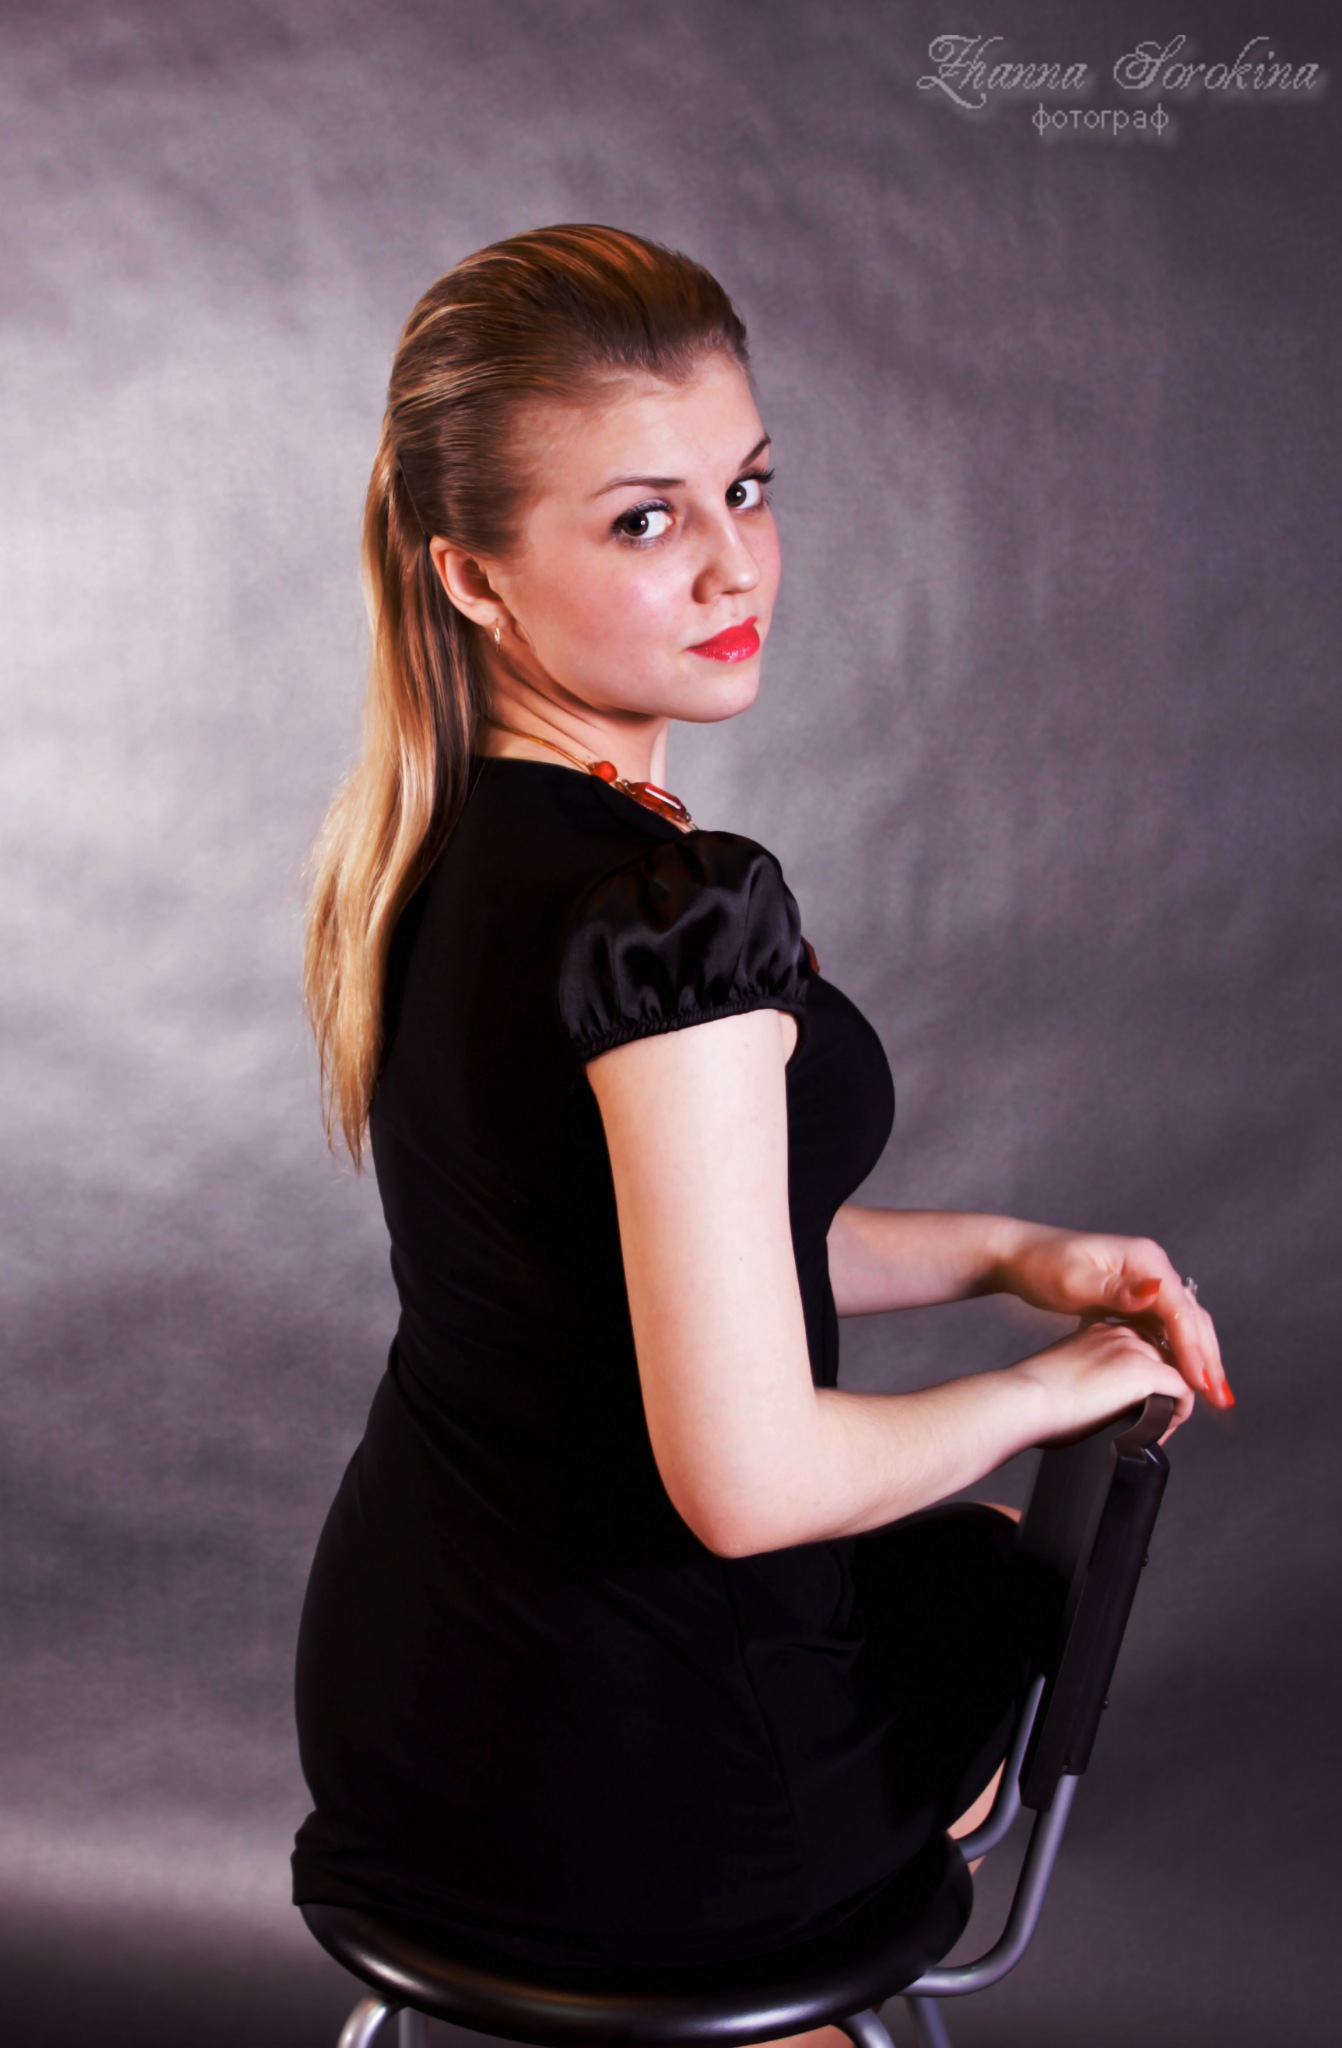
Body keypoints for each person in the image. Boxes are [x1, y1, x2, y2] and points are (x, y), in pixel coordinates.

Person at [291, 224, 1228, 2023]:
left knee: (941, 1580)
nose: (734, 563)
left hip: (412, 1706)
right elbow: (750, 1485)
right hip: (621, 1774)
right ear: (472, 578)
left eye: (747, 486)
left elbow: (653, 1250)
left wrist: (1016, 1256)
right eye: (645, 520)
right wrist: (1058, 1386)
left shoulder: (428, 849)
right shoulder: (667, 917)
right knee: (976, 1596)